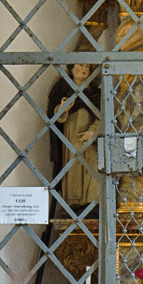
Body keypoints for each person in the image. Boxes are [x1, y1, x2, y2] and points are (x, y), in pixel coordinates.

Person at [46, 60, 102, 212]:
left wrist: (94, 131)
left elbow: (103, 117)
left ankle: (92, 204)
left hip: (90, 140)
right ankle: (74, 206)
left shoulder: (96, 93)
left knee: (93, 168)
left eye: (88, 66)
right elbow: (53, 116)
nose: (85, 68)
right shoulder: (62, 88)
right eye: (80, 65)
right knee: (74, 169)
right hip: (70, 138)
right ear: (71, 69)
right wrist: (62, 109)